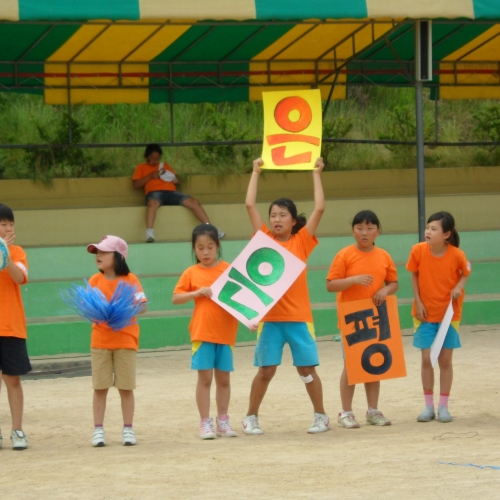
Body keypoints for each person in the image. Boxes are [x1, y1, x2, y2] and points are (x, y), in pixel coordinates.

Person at [242, 157, 330, 435]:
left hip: (299, 319)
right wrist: (255, 172)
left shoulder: (302, 241)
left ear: (294, 221)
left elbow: (320, 207)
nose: (276, 219)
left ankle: (321, 416)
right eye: (273, 215)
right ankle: (251, 417)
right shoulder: (264, 239)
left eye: (282, 215)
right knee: (265, 371)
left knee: (306, 370)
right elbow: (249, 205)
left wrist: (316, 174)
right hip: (270, 320)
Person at [326, 210, 398, 429]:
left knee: (374, 363)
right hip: (351, 319)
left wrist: (385, 291)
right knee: (351, 365)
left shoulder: (384, 255)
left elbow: (394, 282)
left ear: (378, 231)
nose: (364, 233)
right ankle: (345, 411)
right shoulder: (344, 255)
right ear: (353, 231)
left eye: (369, 228)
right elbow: (330, 284)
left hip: (376, 317)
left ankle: (373, 410)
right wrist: (353, 280)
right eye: (359, 228)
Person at [172, 224, 239, 439]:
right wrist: (196, 293)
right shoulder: (191, 273)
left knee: (224, 380)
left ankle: (223, 421)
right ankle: (205, 423)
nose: (206, 252)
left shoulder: (228, 270)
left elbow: (240, 299)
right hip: (202, 332)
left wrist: (250, 319)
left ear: (217, 246)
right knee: (205, 379)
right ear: (194, 249)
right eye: (200, 248)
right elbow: (176, 298)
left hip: (225, 333)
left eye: (210, 246)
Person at [407, 211, 471, 423]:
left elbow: (466, 272)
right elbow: (413, 274)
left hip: (449, 316)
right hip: (424, 314)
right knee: (427, 358)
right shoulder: (418, 250)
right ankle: (428, 406)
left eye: (434, 229)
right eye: (428, 228)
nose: (428, 232)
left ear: (446, 234)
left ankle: (443, 406)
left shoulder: (456, 254)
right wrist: (418, 302)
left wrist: (459, 287)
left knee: (445, 360)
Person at [86, 235, 147, 447]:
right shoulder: (94, 281)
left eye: (104, 252)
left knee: (126, 387)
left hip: (126, 341)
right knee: (100, 388)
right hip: (100, 342)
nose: (98, 256)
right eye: (97, 253)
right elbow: (90, 310)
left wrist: (121, 312)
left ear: (119, 257)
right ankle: (98, 430)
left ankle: (128, 429)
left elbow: (142, 305)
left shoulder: (131, 279)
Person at [132, 144, 225, 243]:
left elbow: (178, 180)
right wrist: (150, 176)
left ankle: (210, 229)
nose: (155, 161)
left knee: (194, 202)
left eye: (157, 159)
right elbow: (136, 184)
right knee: (152, 204)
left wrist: (167, 174)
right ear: (146, 157)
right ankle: (149, 232)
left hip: (171, 192)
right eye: (152, 158)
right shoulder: (141, 167)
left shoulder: (165, 165)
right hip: (154, 193)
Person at [0, 203, 31, 450]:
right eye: (2, 224)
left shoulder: (18, 252)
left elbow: (19, 277)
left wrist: (5, 253)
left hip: (11, 325)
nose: (8, 228)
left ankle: (17, 431)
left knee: (13, 380)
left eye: (10, 224)